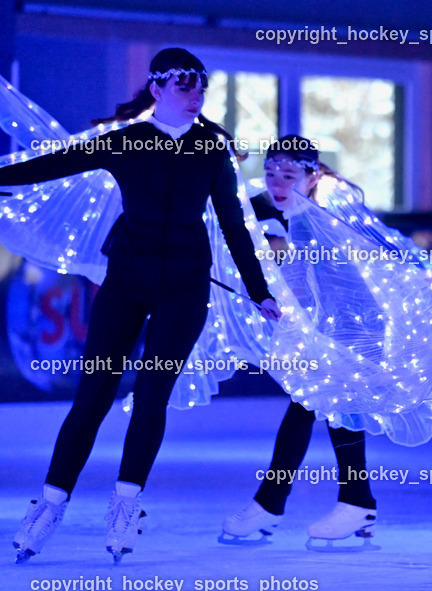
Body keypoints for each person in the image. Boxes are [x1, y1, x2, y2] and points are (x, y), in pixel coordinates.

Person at [0, 48, 281, 563]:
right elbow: (54, 165)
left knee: (152, 396)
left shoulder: (212, 148)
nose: (194, 96)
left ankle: (126, 505)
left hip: (185, 287)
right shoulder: (126, 141)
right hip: (126, 283)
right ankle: (50, 504)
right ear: (156, 88)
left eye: (200, 87)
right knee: (93, 398)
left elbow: (234, 224)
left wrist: (259, 288)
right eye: (183, 86)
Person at [221, 136, 377, 548]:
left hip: (349, 326)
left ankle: (328, 500)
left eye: (289, 174)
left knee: (321, 404)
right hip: (314, 330)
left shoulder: (323, 219)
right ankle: (344, 500)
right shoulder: (265, 213)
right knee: (311, 405)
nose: (277, 181)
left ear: (311, 177)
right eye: (271, 172)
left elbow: (342, 282)